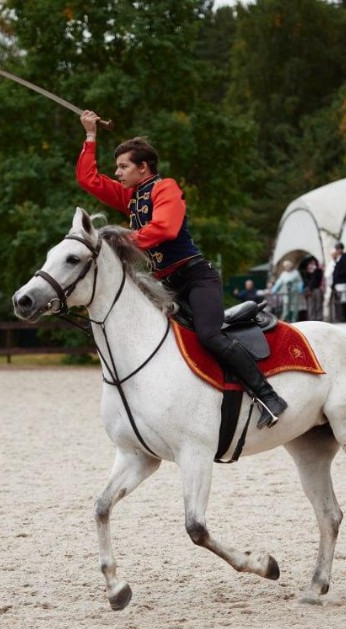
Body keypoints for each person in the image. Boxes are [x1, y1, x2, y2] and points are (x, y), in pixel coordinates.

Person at [76, 110, 286, 428]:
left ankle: (268, 396)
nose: (117, 173)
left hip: (195, 278)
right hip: (165, 286)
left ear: (143, 167)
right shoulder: (131, 198)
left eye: (123, 167)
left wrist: (126, 240)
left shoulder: (165, 188)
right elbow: (87, 180)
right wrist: (90, 135)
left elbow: (166, 227)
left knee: (210, 335)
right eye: (116, 167)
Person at [330, 242, 346, 322]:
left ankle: (344, 316)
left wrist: (338, 275)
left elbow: (345, 270)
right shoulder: (339, 258)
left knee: (344, 299)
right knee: (340, 299)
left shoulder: (344, 257)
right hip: (338, 282)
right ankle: (341, 316)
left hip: (342, 281)